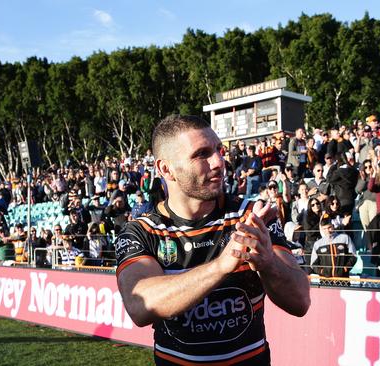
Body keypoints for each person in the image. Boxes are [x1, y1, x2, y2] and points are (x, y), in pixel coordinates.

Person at [115, 115, 310, 365]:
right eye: (202, 154)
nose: (219, 162)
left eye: (219, 150)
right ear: (166, 169)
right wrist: (221, 265)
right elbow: (139, 306)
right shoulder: (142, 231)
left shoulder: (251, 216)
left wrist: (268, 262)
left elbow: (300, 301)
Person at [309, 213, 358, 278]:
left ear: (333, 226)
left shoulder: (345, 238)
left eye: (329, 227)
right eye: (324, 229)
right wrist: (322, 271)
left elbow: (353, 256)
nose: (327, 231)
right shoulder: (318, 244)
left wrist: (345, 269)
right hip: (326, 280)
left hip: (343, 279)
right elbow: (313, 264)